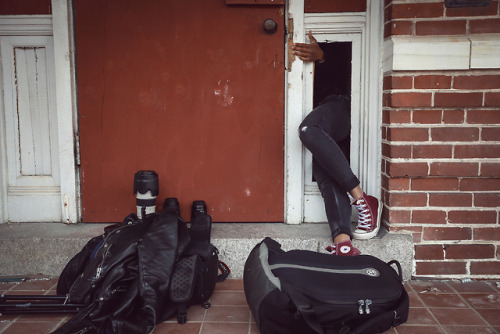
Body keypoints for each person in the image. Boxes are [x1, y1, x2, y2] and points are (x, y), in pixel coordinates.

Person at [292, 31, 381, 256]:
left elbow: (348, 68)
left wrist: (323, 57)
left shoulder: (334, 50)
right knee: (325, 174)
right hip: (325, 115)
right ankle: (343, 244)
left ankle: (362, 198)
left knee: (308, 130)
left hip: (339, 103)